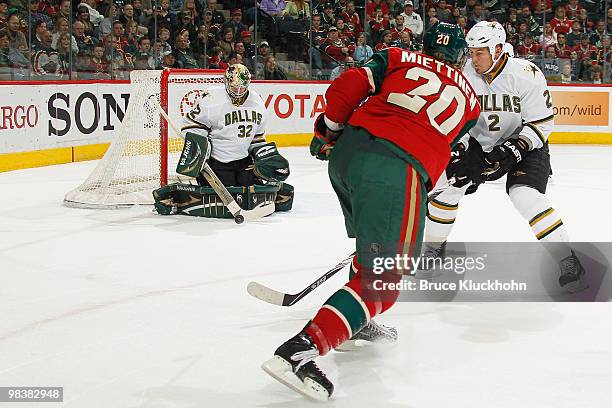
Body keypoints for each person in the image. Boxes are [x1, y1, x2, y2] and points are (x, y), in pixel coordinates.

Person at [261, 22, 480, 401]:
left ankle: (355, 323)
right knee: (385, 281)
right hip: (398, 169)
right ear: (461, 57)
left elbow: (348, 87)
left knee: (372, 253)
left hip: (349, 157)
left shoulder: (397, 56)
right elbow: (451, 152)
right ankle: (299, 351)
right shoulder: (471, 102)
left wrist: (328, 132)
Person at [422, 21, 587, 293]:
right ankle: (433, 249)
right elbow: (457, 120)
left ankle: (569, 261)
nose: (473, 59)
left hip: (525, 144)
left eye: (479, 53)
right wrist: (461, 150)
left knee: (525, 195)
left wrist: (514, 148)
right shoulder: (463, 75)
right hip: (478, 145)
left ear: (498, 49)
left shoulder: (526, 74)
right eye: (471, 52)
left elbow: (542, 124)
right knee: (447, 189)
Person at [153, 64, 294, 216]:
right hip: (217, 162)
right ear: (226, 82)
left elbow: (257, 137)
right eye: (234, 88)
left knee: (249, 191)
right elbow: (191, 125)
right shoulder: (212, 98)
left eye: (243, 88)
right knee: (227, 192)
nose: (239, 92)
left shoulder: (257, 102)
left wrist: (263, 155)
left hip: (244, 162)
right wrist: (201, 148)